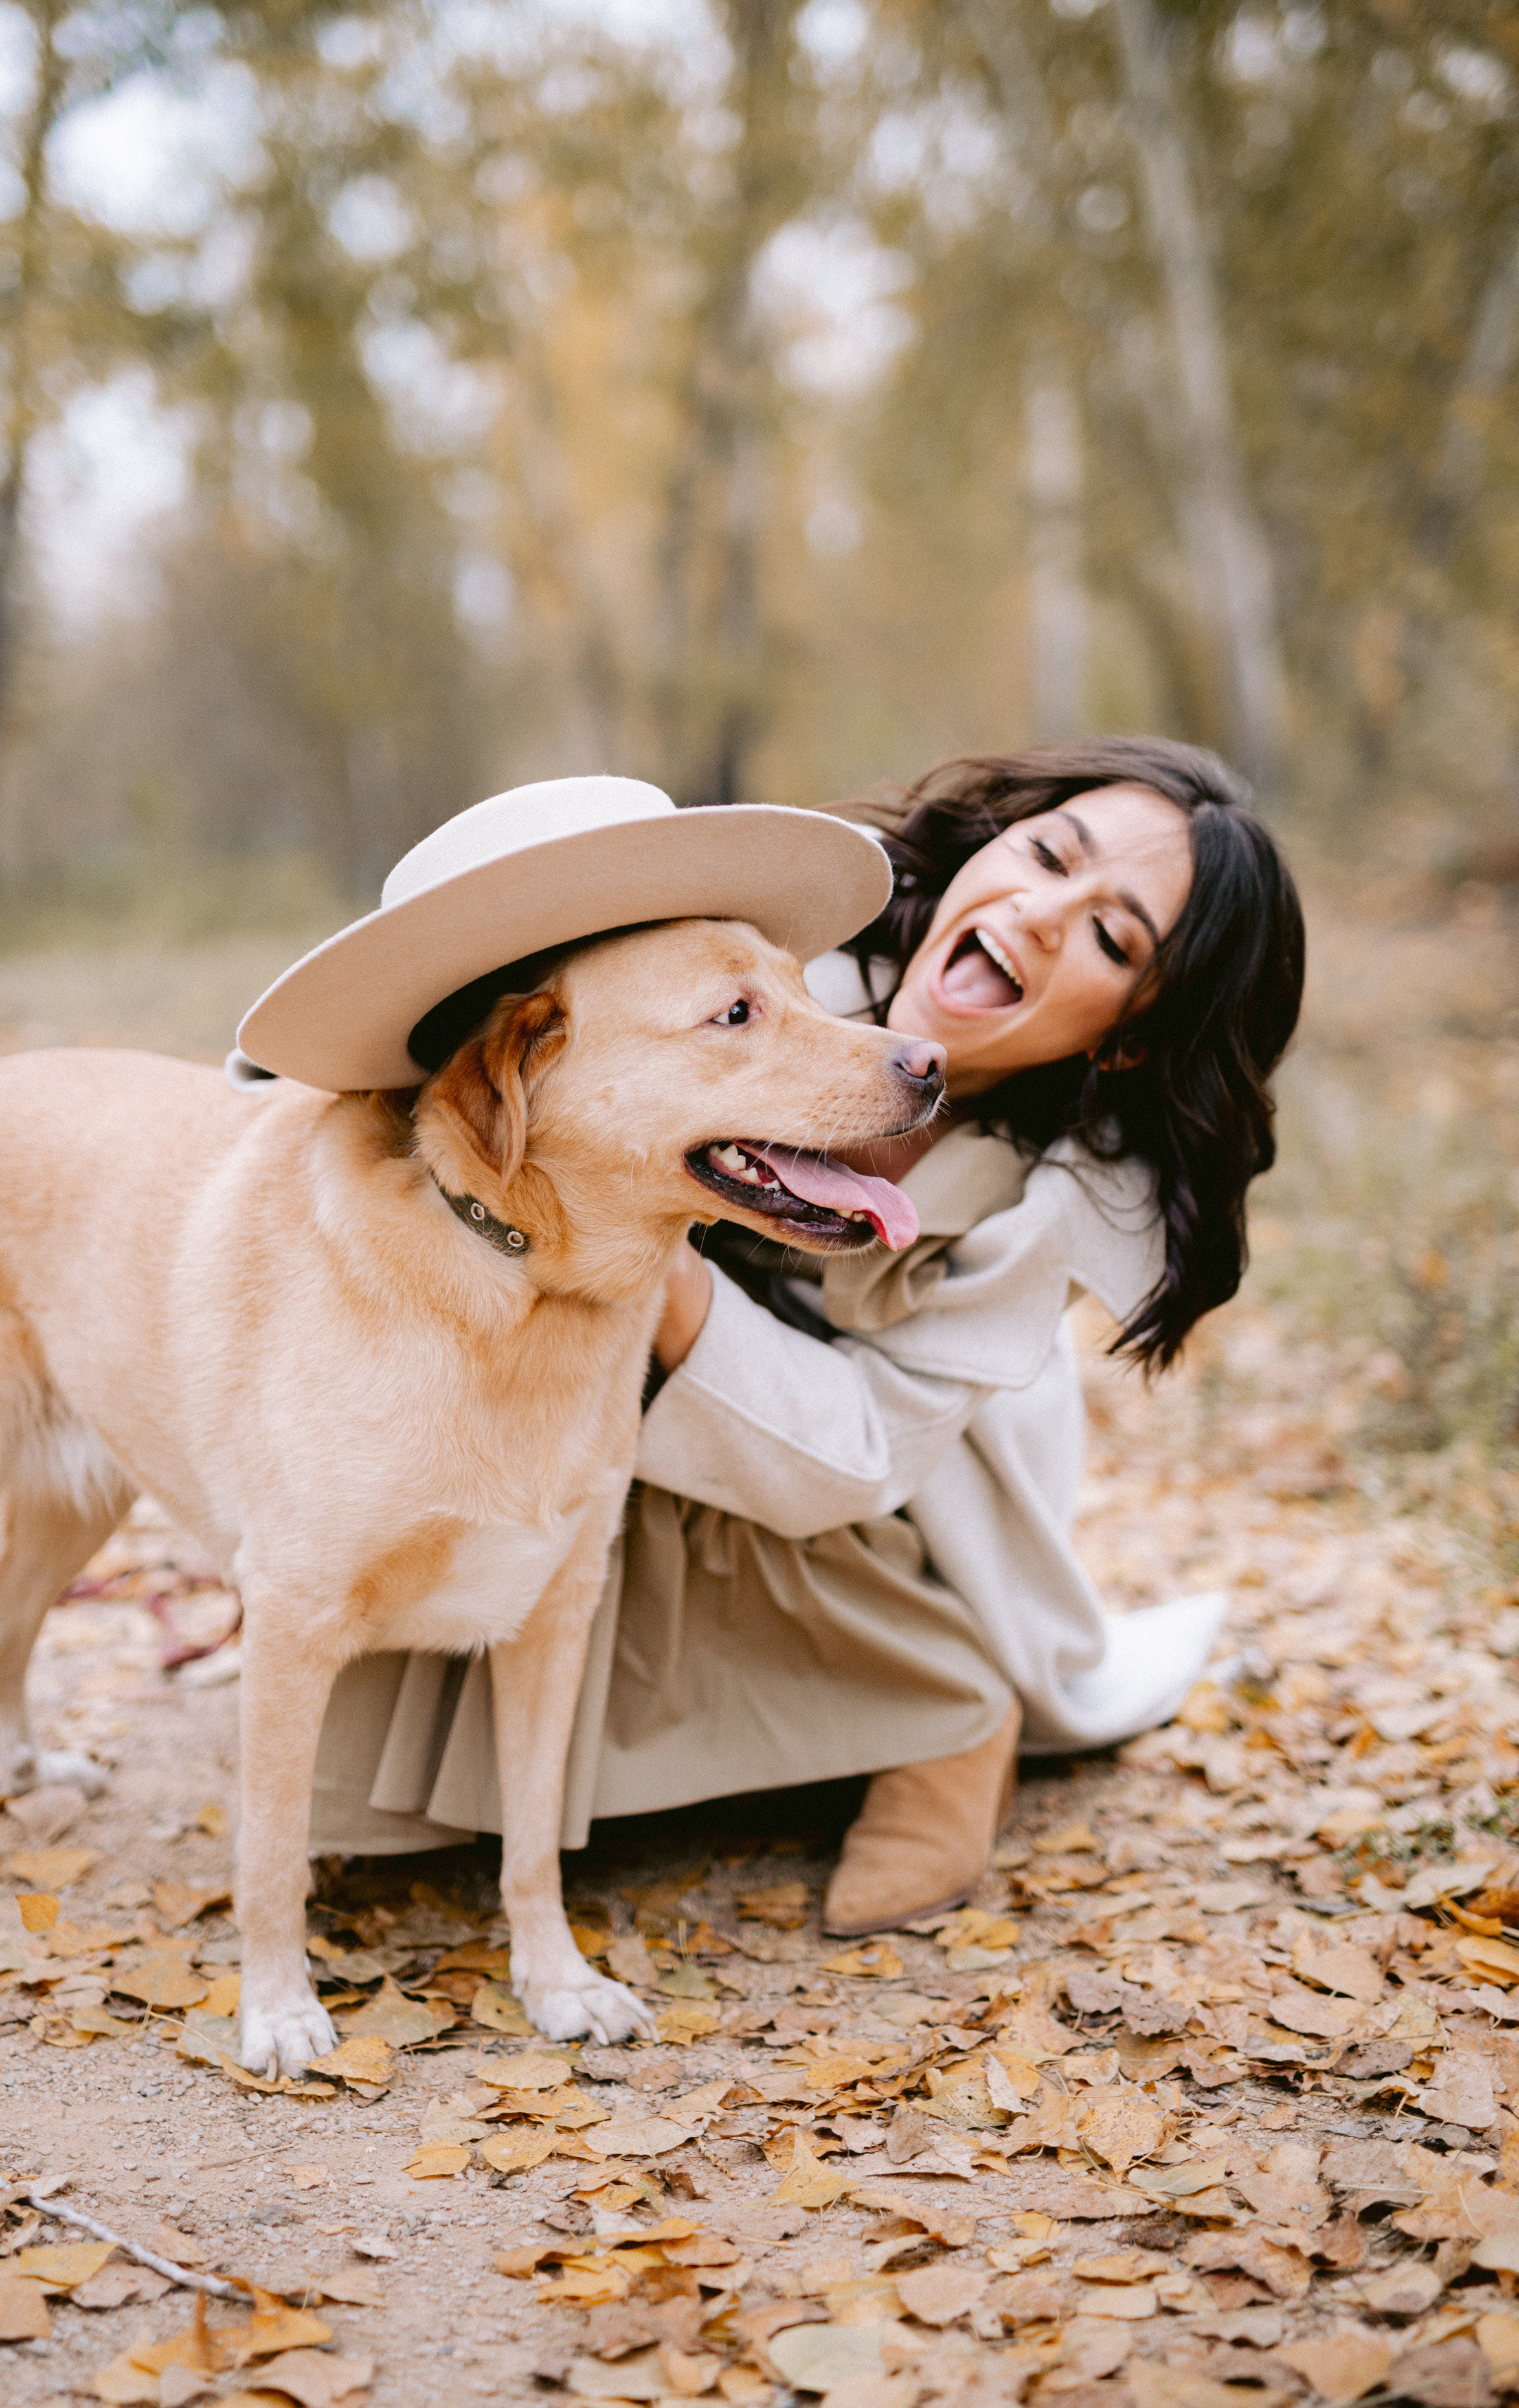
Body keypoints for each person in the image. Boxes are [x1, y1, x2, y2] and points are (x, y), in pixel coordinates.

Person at [303, 737, 1305, 1933]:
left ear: (1128, 1037)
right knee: (518, 1425)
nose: (1040, 914)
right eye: (1046, 854)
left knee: (716, 1474)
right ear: (991, 845)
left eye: (1110, 937)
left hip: (876, 1492)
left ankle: (948, 1712)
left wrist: (653, 1268)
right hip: (613, 1368)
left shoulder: (1061, 1199)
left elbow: (862, 1451)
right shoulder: (769, 970)